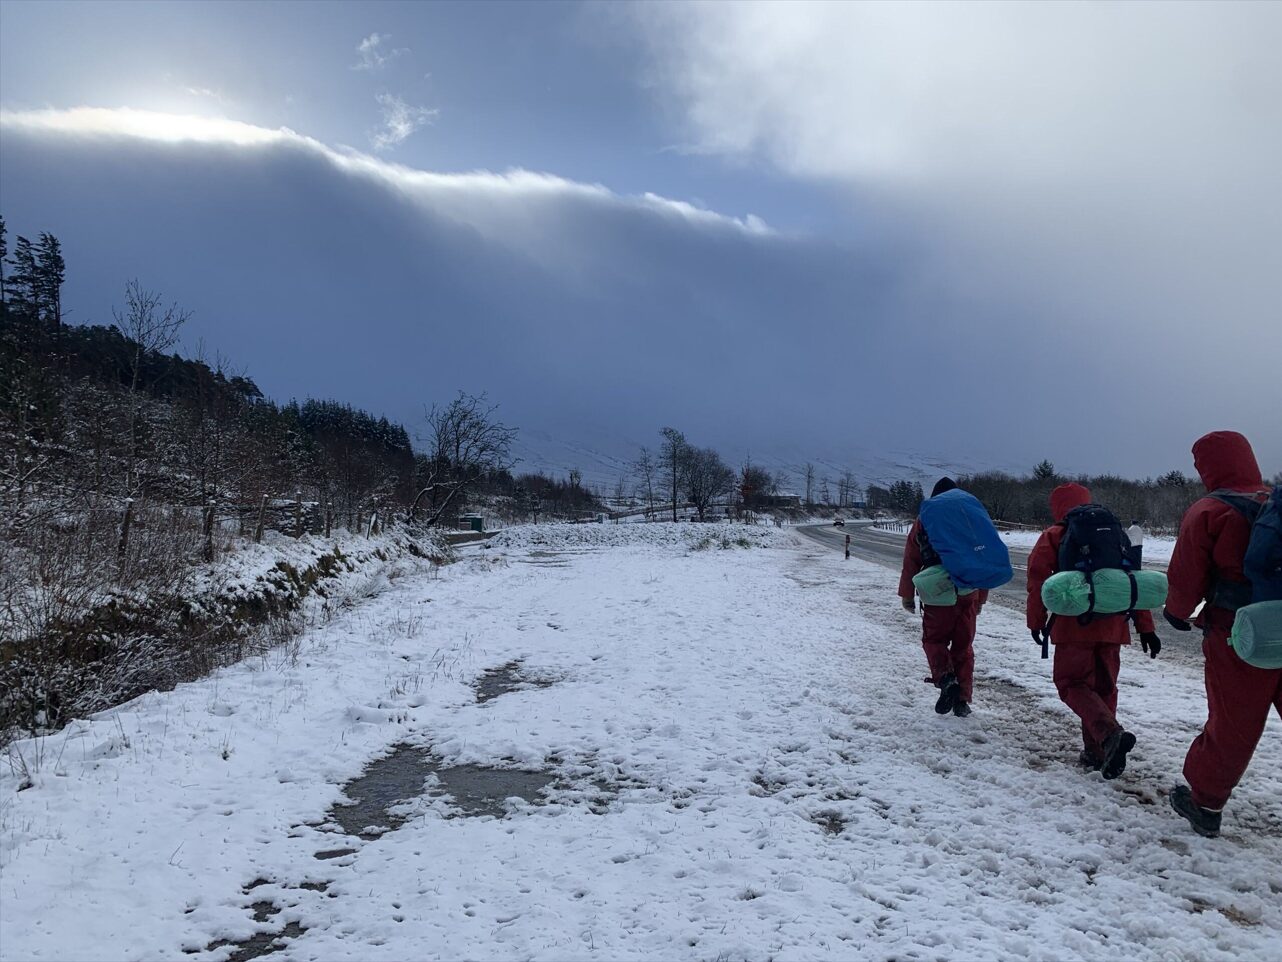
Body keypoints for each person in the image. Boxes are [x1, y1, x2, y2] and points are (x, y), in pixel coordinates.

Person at [1165, 431, 1279, 838]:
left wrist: (1177, 611)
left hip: (1239, 631)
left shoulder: (1210, 509)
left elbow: (1186, 573)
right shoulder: (1274, 501)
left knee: (1235, 721)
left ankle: (1205, 803)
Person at [1026, 483, 1160, 778]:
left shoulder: (1055, 536)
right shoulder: (1115, 535)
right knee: (1105, 688)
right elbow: (1129, 581)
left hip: (1074, 625)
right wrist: (1145, 626)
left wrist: (1036, 621)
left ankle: (1109, 735)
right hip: (1113, 624)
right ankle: (1098, 752)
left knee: (1071, 683)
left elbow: (1038, 581)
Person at [898, 477, 987, 717]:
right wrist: (982, 597)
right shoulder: (972, 518)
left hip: (936, 591)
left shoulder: (924, 520)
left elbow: (911, 559)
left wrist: (907, 594)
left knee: (934, 640)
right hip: (968, 590)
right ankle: (962, 700)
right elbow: (984, 558)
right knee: (963, 647)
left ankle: (946, 678)